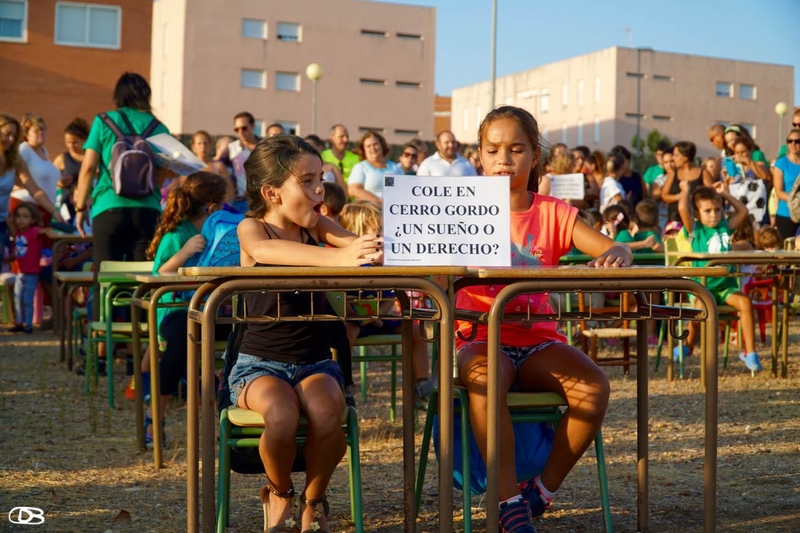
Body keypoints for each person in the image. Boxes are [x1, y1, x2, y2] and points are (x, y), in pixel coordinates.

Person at [458, 105, 630, 532]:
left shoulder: (554, 212)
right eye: (493, 149)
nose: (504, 159)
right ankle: (507, 501)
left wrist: (618, 254)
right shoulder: (457, 208)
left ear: (535, 156)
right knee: (484, 376)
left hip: (537, 341)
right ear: (478, 154)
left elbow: (613, 248)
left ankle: (542, 491)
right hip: (478, 339)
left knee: (593, 389)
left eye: (516, 149)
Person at [234, 135, 383, 533]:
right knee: (280, 416)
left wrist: (371, 248)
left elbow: (358, 249)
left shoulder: (316, 226)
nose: (320, 190)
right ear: (272, 192)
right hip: (259, 365)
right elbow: (270, 255)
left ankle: (312, 501)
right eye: (308, 181)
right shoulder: (253, 229)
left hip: (315, 362)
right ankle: (279, 490)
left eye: (322, 179)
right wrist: (339, 257)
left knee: (326, 412)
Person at [74, 72, 171, 321]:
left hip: (108, 208)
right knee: (143, 281)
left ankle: (101, 349)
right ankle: (135, 354)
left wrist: (79, 207)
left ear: (119, 95)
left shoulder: (104, 121)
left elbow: (87, 168)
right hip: (147, 211)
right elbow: (163, 170)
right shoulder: (159, 127)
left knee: (104, 278)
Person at [142, 171, 230, 447]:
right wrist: (184, 253)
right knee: (183, 332)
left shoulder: (223, 231)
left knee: (249, 329)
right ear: (213, 207)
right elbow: (157, 276)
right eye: (225, 206)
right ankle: (155, 415)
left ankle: (234, 417)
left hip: (213, 310)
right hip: (173, 311)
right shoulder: (177, 233)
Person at [338, 200, 430, 397]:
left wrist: (378, 313)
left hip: (378, 318)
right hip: (352, 319)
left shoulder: (381, 265)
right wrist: (356, 314)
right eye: (377, 231)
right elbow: (340, 300)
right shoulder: (344, 265)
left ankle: (422, 383)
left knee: (415, 331)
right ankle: (342, 382)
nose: (383, 235)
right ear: (357, 233)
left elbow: (390, 297)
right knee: (345, 335)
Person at [676, 181, 761, 372]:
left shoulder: (724, 226)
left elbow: (743, 212)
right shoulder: (694, 230)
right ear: (697, 214)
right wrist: (685, 190)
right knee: (700, 308)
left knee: (746, 302)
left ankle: (750, 352)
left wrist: (725, 193)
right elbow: (682, 207)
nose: (714, 214)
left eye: (717, 209)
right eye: (707, 211)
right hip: (702, 287)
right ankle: (688, 344)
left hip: (725, 287)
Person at [0, 114, 63, 264]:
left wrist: (54, 210)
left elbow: (34, 188)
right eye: (7, 134)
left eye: (14, 136)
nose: (11, 139)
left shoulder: (14, 159)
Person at [6, 203, 57, 333]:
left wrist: (49, 231)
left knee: (27, 299)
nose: (21, 219)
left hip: (31, 273)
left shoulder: (33, 232)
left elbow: (43, 230)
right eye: (18, 216)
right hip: (20, 272)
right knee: (17, 298)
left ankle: (28, 325)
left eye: (25, 216)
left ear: (32, 220)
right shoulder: (18, 233)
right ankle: (19, 323)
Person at [11, 115, 61, 224]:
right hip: (28, 208)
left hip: (44, 208)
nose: (41, 133)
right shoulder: (24, 149)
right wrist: (24, 185)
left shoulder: (44, 151)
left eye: (42, 129)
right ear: (26, 135)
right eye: (36, 130)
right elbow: (14, 173)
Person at [660, 141, 715, 220]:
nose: (673, 158)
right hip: (675, 220)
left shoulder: (703, 173)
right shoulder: (673, 174)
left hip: (697, 219)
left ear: (686, 157)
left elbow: (712, 194)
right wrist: (680, 197)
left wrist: (696, 198)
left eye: (676, 155)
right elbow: (664, 196)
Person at [52, 117, 90, 222]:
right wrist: (60, 183)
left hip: (90, 205)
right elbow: (50, 182)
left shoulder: (93, 158)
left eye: (75, 142)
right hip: (68, 207)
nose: (70, 146)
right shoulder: (62, 159)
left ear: (85, 140)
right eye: (67, 142)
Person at [347, 131, 400, 204]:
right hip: (370, 210)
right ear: (364, 150)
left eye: (375, 144)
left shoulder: (396, 167)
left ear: (382, 145)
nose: (373, 148)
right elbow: (354, 190)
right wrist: (378, 201)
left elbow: (405, 187)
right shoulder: (360, 167)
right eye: (368, 146)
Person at [216, 112, 260, 196]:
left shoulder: (264, 146)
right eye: (237, 129)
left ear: (253, 126)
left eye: (244, 128)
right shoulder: (231, 147)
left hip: (264, 197)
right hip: (240, 198)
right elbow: (218, 166)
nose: (240, 132)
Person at [725, 141, 768, 225]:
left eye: (743, 152)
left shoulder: (758, 164)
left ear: (750, 151)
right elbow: (729, 191)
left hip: (755, 211)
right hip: (737, 210)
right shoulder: (734, 168)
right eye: (737, 152)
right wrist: (726, 180)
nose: (739, 155)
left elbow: (764, 176)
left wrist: (748, 161)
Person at [771, 128, 800, 239]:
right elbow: (779, 192)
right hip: (786, 214)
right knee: (786, 251)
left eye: (797, 141)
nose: (793, 144)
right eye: (790, 141)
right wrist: (797, 201)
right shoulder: (781, 163)